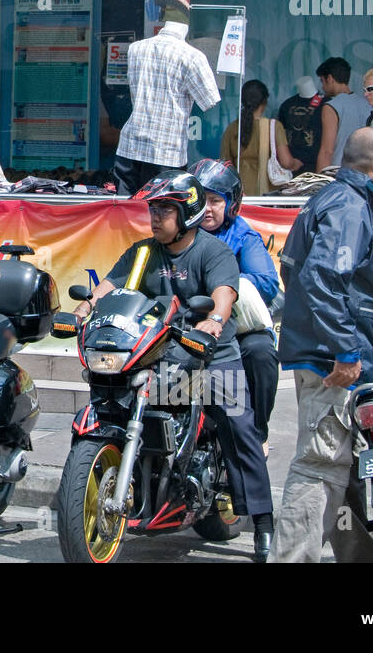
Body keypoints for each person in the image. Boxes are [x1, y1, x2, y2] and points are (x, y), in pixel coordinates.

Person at [75, 171, 275, 561]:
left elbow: (224, 292)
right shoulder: (143, 253)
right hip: (157, 353)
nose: (155, 217)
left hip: (208, 356)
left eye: (165, 209)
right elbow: (111, 286)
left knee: (239, 427)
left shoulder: (212, 251)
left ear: (187, 213)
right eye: (153, 209)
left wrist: (214, 320)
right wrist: (84, 309)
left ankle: (262, 522)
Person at [271, 127, 373, 564]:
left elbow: (297, 272)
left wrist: (365, 332)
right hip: (332, 361)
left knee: (349, 464)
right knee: (320, 465)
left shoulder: (332, 199)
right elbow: (322, 278)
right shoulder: (348, 206)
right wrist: (345, 346)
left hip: (329, 350)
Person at [190, 158, 280, 449]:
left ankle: (257, 434)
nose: (207, 208)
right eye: (201, 199)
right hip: (187, 327)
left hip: (236, 328)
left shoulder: (243, 235)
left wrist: (223, 286)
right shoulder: (177, 234)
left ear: (232, 204)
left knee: (261, 351)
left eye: (216, 200)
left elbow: (266, 283)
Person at [112, 3, 220, 195]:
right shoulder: (193, 57)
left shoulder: (136, 48)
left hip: (130, 146)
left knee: (126, 215)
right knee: (165, 215)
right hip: (166, 150)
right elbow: (209, 99)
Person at [219, 79, 301, 196]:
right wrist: (296, 163)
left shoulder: (232, 128)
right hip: (268, 194)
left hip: (241, 194)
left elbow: (225, 165)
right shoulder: (274, 126)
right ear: (265, 102)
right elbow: (286, 162)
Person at [314, 57, 373, 172]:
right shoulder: (368, 104)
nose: (322, 87)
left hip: (341, 173)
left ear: (330, 78)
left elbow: (327, 151)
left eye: (322, 81)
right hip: (367, 172)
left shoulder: (331, 106)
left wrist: (318, 182)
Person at [277, 75, 324, 175]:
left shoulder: (326, 104)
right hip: (289, 167)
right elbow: (280, 136)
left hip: (317, 167)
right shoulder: (286, 105)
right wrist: (290, 161)